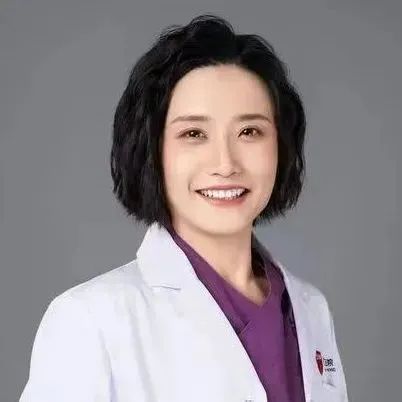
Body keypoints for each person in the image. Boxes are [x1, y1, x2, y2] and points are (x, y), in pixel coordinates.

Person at [20, 14, 349, 402]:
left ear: (281, 146)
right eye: (194, 133)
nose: (225, 164)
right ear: (151, 150)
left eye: (250, 131)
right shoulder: (88, 320)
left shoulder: (311, 310)